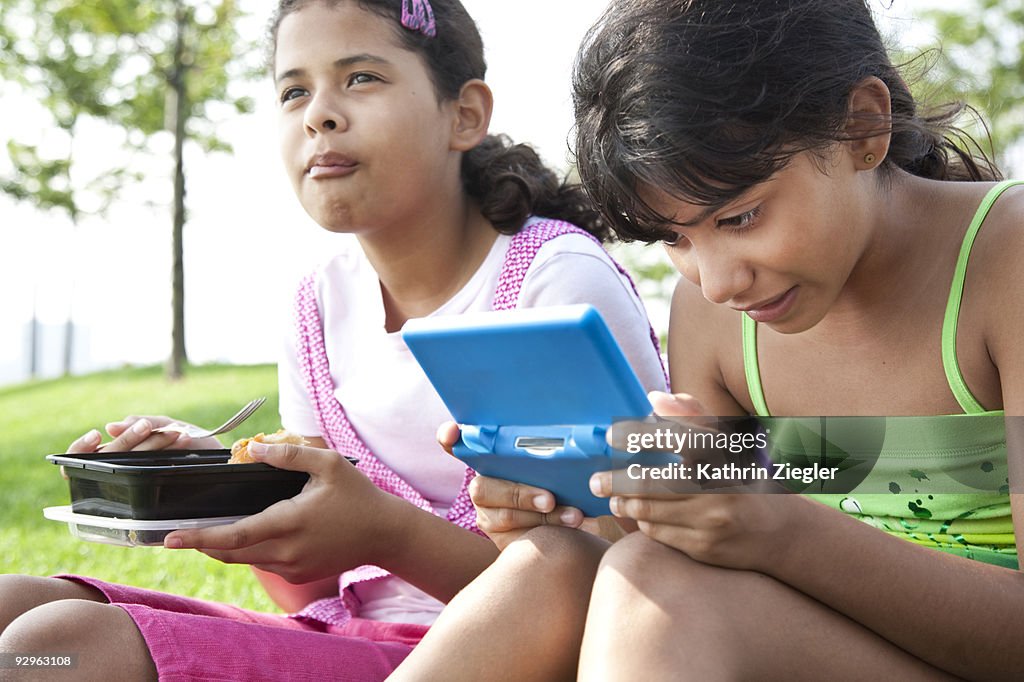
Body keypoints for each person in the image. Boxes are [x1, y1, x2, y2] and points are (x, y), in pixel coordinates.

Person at [0, 1, 666, 679]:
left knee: (68, 643)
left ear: (464, 114)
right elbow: (313, 593)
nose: (319, 113)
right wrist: (228, 492)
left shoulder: (551, 285)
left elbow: (609, 580)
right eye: (294, 91)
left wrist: (387, 530)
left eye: (360, 79)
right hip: (350, 636)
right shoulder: (318, 305)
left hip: (499, 650)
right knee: (12, 608)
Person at [390, 0, 1024, 679]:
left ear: (862, 126)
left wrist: (779, 527)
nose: (717, 281)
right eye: (674, 238)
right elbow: (701, 552)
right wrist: (575, 507)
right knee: (558, 566)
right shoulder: (719, 316)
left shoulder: (1005, 261)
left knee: (662, 584)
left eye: (741, 216)